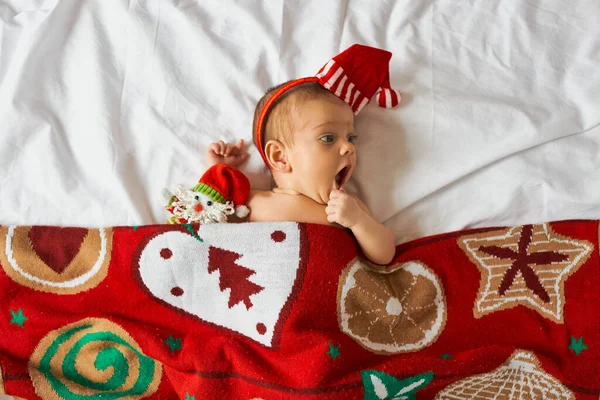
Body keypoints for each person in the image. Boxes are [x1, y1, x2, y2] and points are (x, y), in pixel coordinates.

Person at [205, 44, 400, 265]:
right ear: (279, 156)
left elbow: (385, 253)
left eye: (351, 137)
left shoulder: (347, 208)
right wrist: (216, 170)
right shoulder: (253, 202)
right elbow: (208, 227)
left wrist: (359, 222)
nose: (349, 148)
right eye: (328, 138)